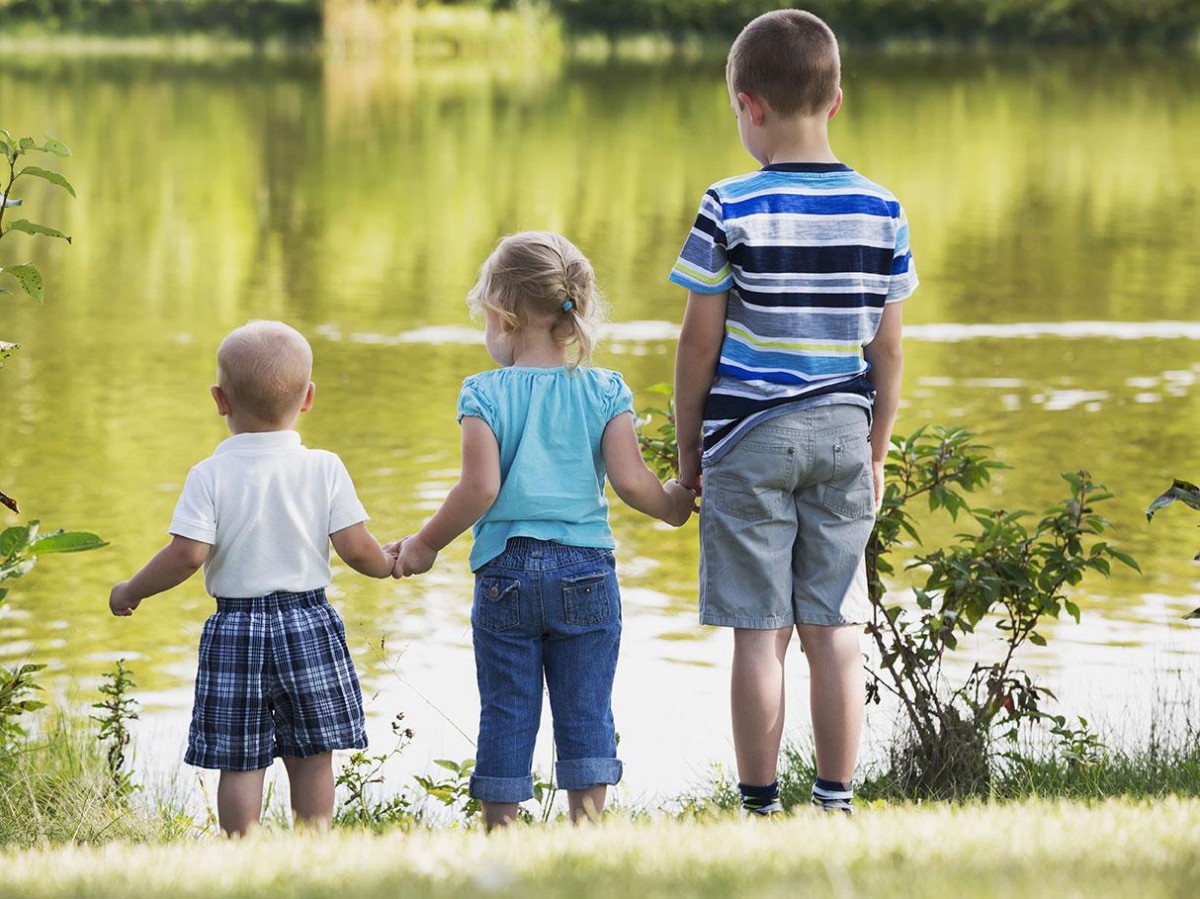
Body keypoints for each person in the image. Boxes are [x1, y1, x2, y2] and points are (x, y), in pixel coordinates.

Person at [669, 9, 916, 816]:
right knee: (836, 623)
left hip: (747, 435)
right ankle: (836, 798)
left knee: (758, 627)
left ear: (750, 107)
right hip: (846, 430)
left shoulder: (728, 205)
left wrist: (690, 450)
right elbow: (888, 353)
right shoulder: (882, 208)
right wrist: (876, 450)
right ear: (836, 99)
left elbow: (697, 346)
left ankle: (758, 802)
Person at [393, 231, 695, 830]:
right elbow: (634, 484)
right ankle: (585, 830)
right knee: (585, 708)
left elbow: (478, 490)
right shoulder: (605, 389)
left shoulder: (484, 392)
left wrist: (425, 545)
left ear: (503, 317)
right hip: (585, 571)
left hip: (504, 574)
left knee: (507, 708)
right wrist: (675, 505)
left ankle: (501, 832)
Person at [108, 320, 397, 837]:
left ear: (220, 399)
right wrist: (391, 561)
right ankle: (315, 844)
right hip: (309, 621)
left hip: (235, 628)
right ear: (308, 398)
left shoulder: (209, 475)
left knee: (240, 759)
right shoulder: (324, 467)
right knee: (312, 753)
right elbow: (356, 549)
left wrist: (131, 590)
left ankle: (241, 850)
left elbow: (187, 554)